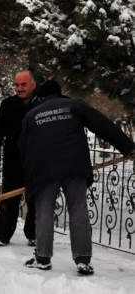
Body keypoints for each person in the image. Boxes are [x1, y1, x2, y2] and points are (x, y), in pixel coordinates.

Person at [18, 80, 135, 275]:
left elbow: (23, 148)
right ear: (60, 94)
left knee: (44, 212)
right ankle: (83, 260)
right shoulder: (75, 105)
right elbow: (103, 125)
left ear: (40, 97)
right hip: (75, 167)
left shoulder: (31, 115)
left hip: (45, 172)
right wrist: (129, 148)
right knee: (78, 211)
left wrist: (29, 176)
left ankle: (43, 258)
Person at [0, 70, 37, 247]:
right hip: (13, 160)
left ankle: (34, 234)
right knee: (8, 200)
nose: (19, 88)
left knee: (36, 201)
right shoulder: (8, 105)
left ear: (33, 85)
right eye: (17, 85)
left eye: (23, 84)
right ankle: (3, 234)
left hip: (37, 162)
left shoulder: (42, 103)